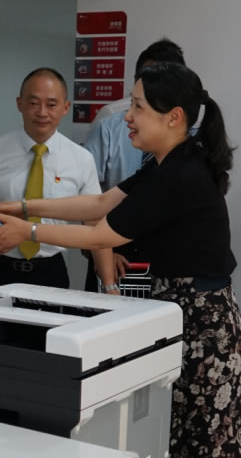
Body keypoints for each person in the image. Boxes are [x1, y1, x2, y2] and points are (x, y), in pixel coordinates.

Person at [0, 63, 241, 458]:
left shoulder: (181, 174)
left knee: (183, 451)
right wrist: (25, 207)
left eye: (137, 106)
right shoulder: (166, 164)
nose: (126, 117)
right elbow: (98, 204)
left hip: (200, 330)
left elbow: (102, 234)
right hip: (190, 317)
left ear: (174, 117)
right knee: (196, 449)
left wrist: (27, 232)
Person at [0, 68, 114, 305]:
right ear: (19, 103)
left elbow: (95, 226)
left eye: (51, 104)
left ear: (65, 107)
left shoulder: (81, 159)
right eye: (33, 103)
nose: (42, 113)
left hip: (51, 273)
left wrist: (110, 285)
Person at [80, 37, 186, 289]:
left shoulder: (190, 132)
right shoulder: (111, 120)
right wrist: (101, 250)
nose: (130, 118)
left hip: (173, 258)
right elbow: (91, 196)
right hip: (115, 251)